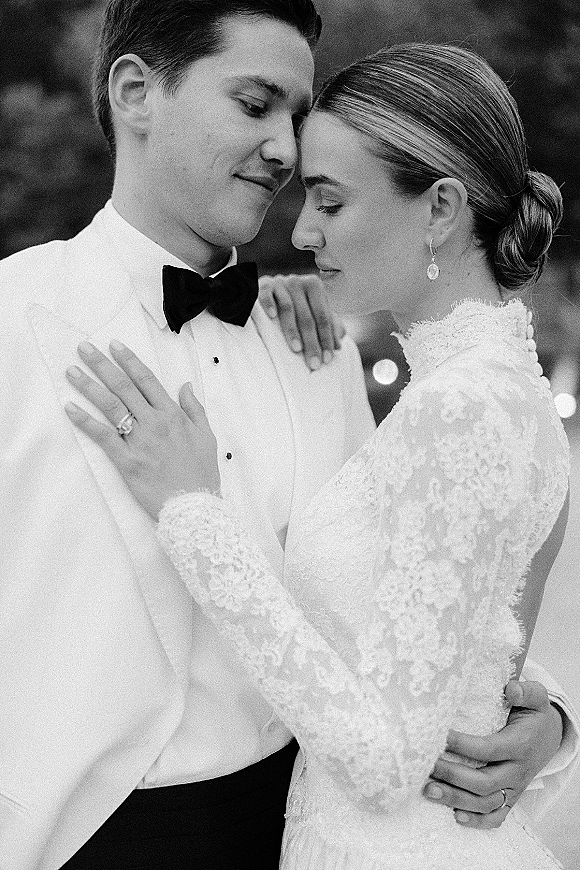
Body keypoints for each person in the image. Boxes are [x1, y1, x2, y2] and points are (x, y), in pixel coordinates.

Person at [0, 0, 575, 864]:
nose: (284, 147)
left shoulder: (313, 343)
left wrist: (538, 716)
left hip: (300, 828)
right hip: (66, 839)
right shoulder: (12, 319)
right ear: (136, 92)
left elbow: (400, 594)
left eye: (298, 116)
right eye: (255, 103)